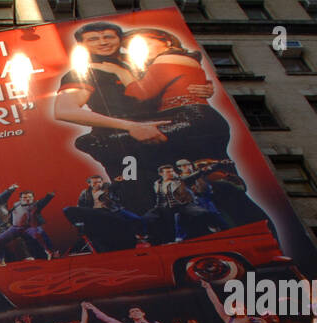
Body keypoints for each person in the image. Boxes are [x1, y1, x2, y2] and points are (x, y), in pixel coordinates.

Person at [54, 22, 214, 210]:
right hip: (123, 146)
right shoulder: (82, 73)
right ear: (82, 45)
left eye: (108, 36)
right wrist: (130, 127)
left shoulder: (145, 64)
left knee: (193, 195)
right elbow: (64, 110)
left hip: (166, 137)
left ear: (119, 39)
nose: (102, 42)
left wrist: (203, 86)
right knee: (138, 196)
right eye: (93, 39)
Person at [118, 27, 231, 182]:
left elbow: (138, 95)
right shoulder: (178, 59)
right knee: (213, 176)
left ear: (167, 41)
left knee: (122, 142)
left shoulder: (165, 59)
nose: (137, 51)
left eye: (145, 44)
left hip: (189, 119)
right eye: (130, 48)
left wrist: (121, 74)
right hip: (201, 119)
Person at [63, 175, 150, 252]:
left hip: (112, 210)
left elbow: (114, 186)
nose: (97, 184)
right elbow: (80, 205)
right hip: (97, 212)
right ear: (89, 184)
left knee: (136, 218)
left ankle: (142, 236)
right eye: (94, 183)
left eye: (99, 182)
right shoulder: (85, 193)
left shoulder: (107, 188)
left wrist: (117, 181)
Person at [145, 165, 226, 243]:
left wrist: (205, 169)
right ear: (161, 174)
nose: (171, 173)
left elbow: (195, 175)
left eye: (172, 171)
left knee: (204, 213)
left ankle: (216, 228)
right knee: (148, 217)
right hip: (165, 207)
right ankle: (147, 236)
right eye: (168, 172)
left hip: (181, 205)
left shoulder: (180, 180)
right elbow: (160, 197)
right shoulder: (157, 183)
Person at [0, 190, 56, 264]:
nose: (28, 199)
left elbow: (44, 201)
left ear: (33, 198)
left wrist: (49, 196)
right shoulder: (16, 205)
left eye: (30, 197)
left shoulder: (36, 204)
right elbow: (9, 215)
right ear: (20, 199)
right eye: (25, 197)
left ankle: (51, 253)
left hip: (31, 227)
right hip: (16, 228)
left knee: (39, 234)